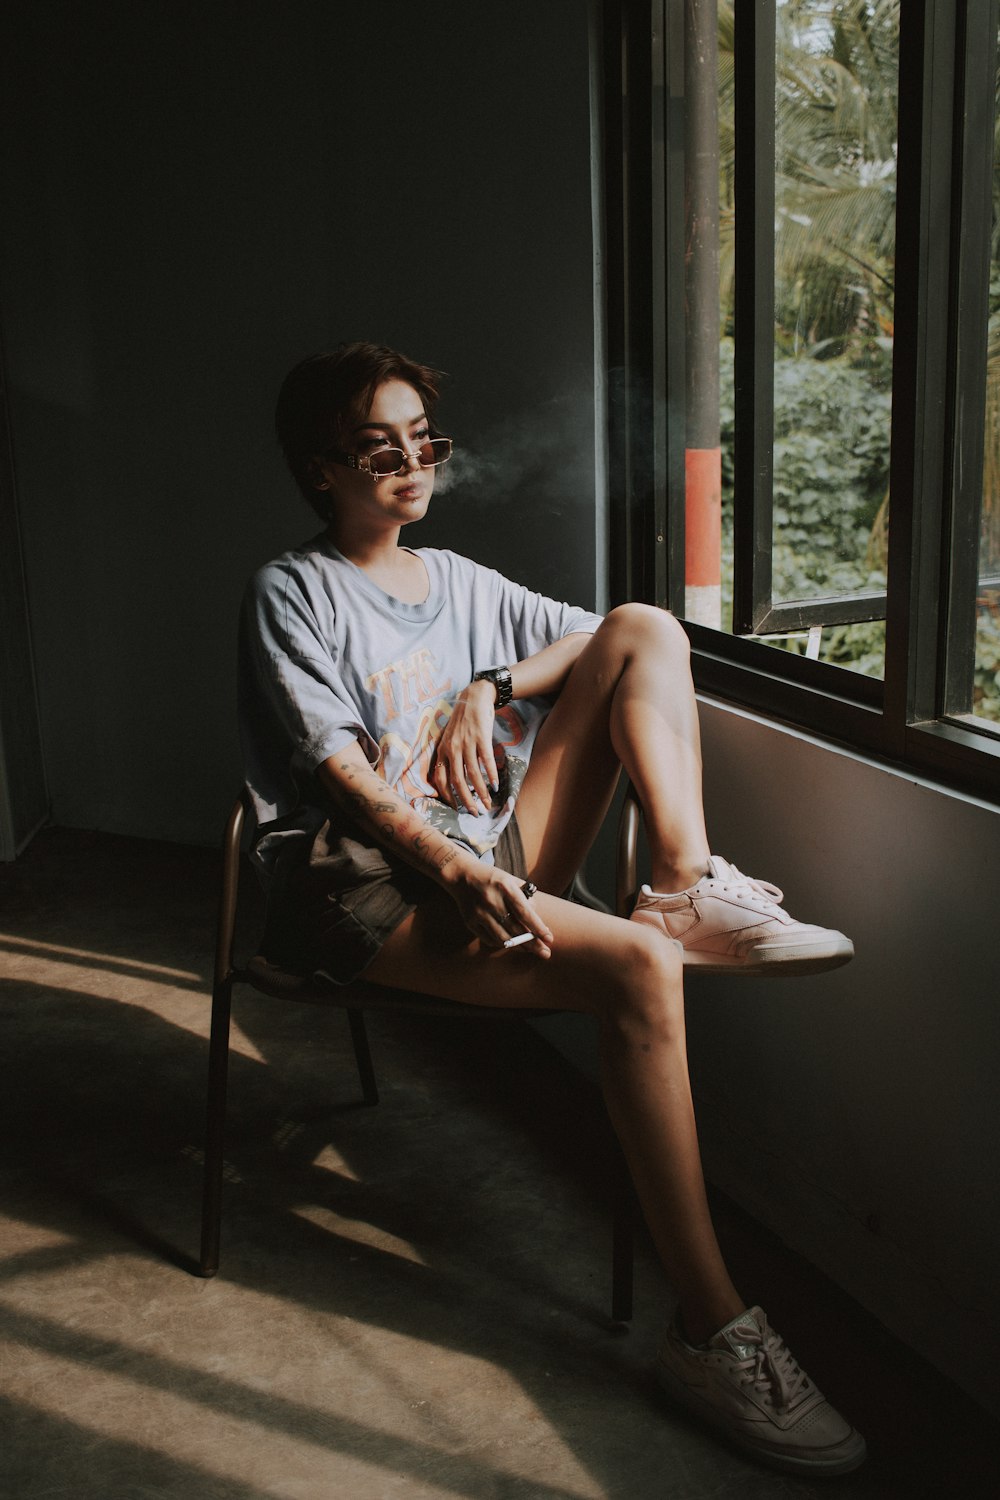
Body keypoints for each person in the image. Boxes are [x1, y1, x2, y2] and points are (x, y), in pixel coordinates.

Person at [238, 341, 865, 1477]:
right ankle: (713, 1332)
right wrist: (459, 868)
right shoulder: (293, 590)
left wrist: (490, 685)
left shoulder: (462, 582)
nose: (410, 464)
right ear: (319, 466)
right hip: (367, 882)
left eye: (423, 442)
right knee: (634, 972)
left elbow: (598, 641)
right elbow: (337, 771)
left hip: (493, 845)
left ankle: (678, 884)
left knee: (645, 625)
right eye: (379, 448)